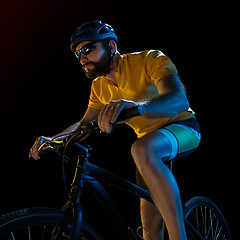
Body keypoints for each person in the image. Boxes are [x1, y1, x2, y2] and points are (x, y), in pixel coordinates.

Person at [29, 20, 201, 240]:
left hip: (182, 127)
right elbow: (83, 125)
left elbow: (178, 99)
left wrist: (137, 107)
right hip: (148, 147)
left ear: (111, 46)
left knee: (140, 148)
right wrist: (52, 139)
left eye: (88, 48)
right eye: (78, 53)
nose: (82, 57)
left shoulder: (149, 59)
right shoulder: (99, 87)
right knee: (149, 231)